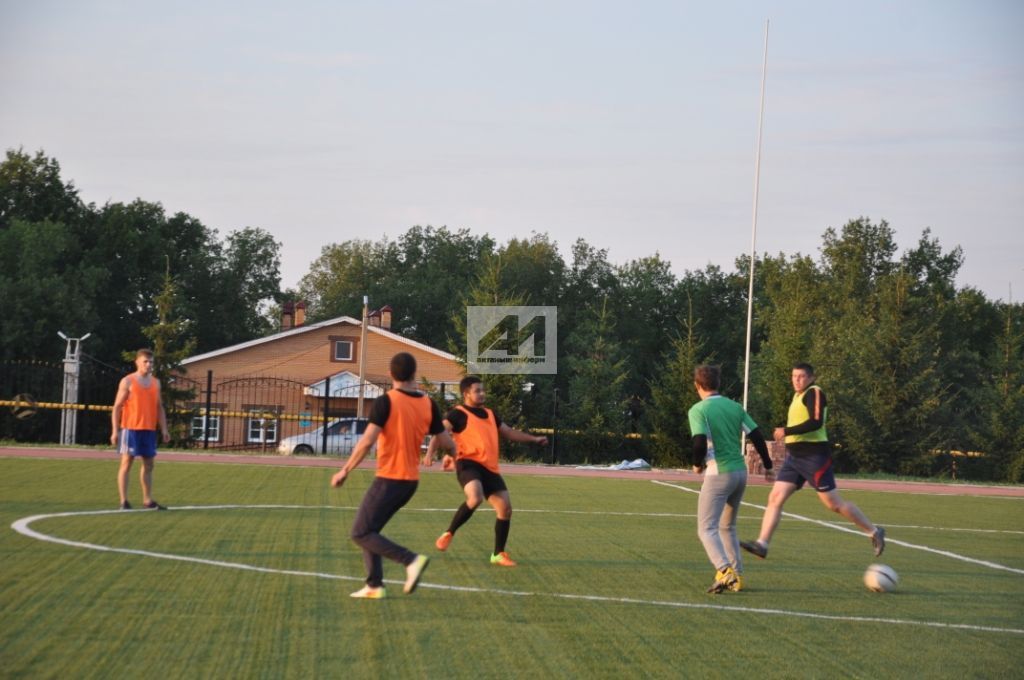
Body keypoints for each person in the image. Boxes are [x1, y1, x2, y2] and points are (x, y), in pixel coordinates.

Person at [331, 352, 455, 599]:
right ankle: (374, 585)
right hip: (410, 481)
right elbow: (446, 441)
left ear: (390, 374)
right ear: (414, 374)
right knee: (371, 530)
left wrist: (345, 470)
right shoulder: (428, 404)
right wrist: (452, 455)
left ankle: (410, 561)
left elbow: (367, 442)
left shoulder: (386, 401)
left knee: (360, 533)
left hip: (390, 478)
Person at [740, 362, 885, 561]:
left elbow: (816, 421)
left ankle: (874, 531)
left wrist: (786, 431)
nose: (796, 380)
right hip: (794, 458)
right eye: (793, 376)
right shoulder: (797, 395)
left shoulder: (814, 393)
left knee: (833, 504)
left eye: (801, 376)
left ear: (811, 378)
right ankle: (762, 544)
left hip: (814, 457)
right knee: (775, 497)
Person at [434, 376, 548, 567]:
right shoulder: (458, 413)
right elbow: (440, 431)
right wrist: (438, 453)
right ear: (466, 394)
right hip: (468, 463)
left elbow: (509, 432)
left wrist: (533, 439)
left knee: (505, 509)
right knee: (475, 497)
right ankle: (449, 533)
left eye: (482, 390)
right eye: (477, 390)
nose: (482, 393)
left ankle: (498, 553)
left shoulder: (490, 414)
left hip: (490, 467)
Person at [688, 365, 773, 594]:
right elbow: (756, 434)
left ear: (697, 386)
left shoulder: (699, 410)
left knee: (706, 529)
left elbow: (698, 441)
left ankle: (725, 570)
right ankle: (737, 576)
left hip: (719, 473)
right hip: (740, 473)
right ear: (718, 384)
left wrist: (697, 464)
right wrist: (767, 465)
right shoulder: (735, 407)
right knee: (728, 527)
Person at [111, 348, 170, 510]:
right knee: (126, 463)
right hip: (130, 429)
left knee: (149, 464)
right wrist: (115, 430)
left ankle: (147, 500)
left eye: (151, 362)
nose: (149, 364)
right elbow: (117, 407)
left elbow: (159, 407)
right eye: (145, 361)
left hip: (148, 430)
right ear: (137, 362)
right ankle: (124, 501)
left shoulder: (156, 383)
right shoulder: (128, 381)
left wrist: (164, 429)